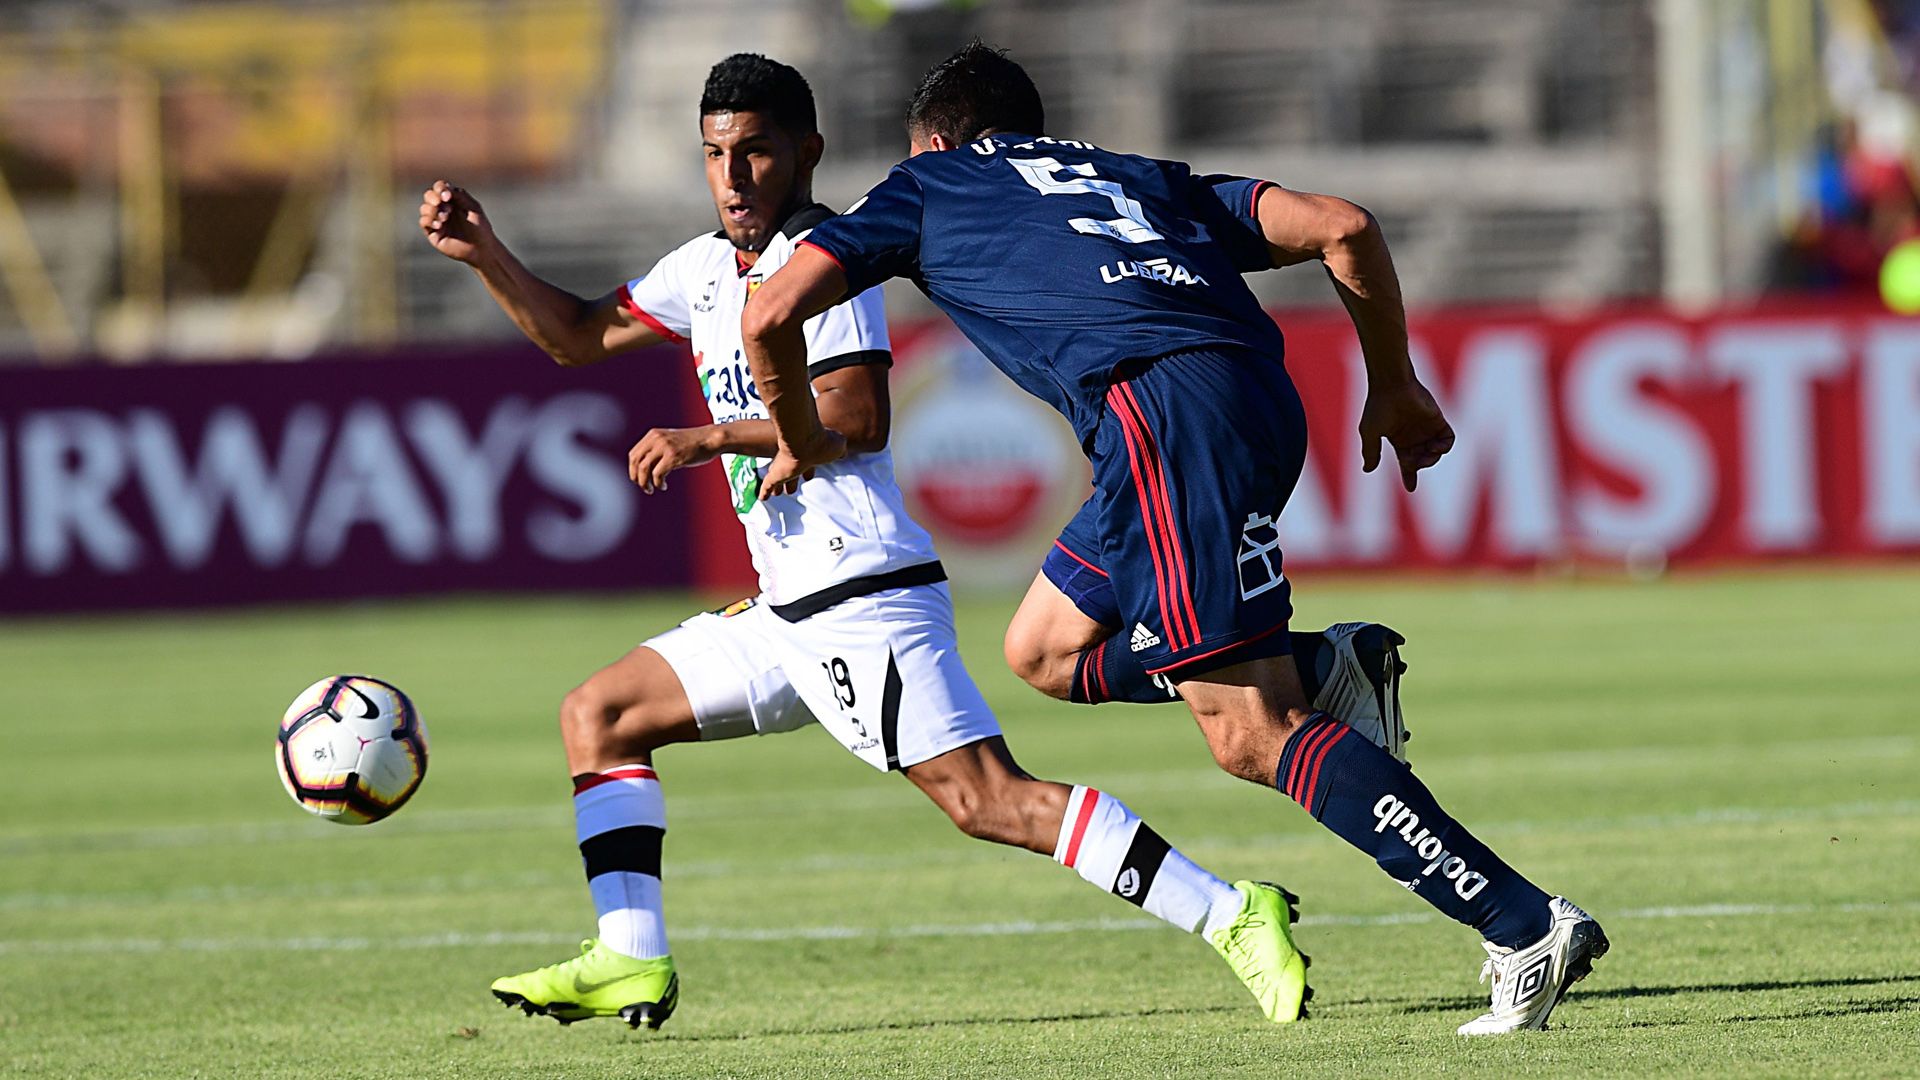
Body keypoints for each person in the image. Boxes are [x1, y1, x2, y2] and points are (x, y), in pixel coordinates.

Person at [420, 52, 1396, 1032]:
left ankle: (1232, 913)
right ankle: (630, 957)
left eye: (756, 152)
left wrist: (714, 436)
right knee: (599, 715)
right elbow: (577, 337)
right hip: (783, 609)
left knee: (990, 803)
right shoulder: (700, 271)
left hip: (860, 596)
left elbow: (856, 412)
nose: (734, 176)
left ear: (807, 153)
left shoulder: (830, 259)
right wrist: (484, 252)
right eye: (716, 154)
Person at [741, 42, 1607, 1035]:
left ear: (936, 140)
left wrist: (800, 439)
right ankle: (1324, 667)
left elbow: (771, 313)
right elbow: (1343, 227)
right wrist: (1396, 385)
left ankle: (1519, 921)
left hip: (1156, 417)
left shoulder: (928, 183)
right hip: (1252, 405)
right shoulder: (1137, 176)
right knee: (1045, 650)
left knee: (1252, 732)